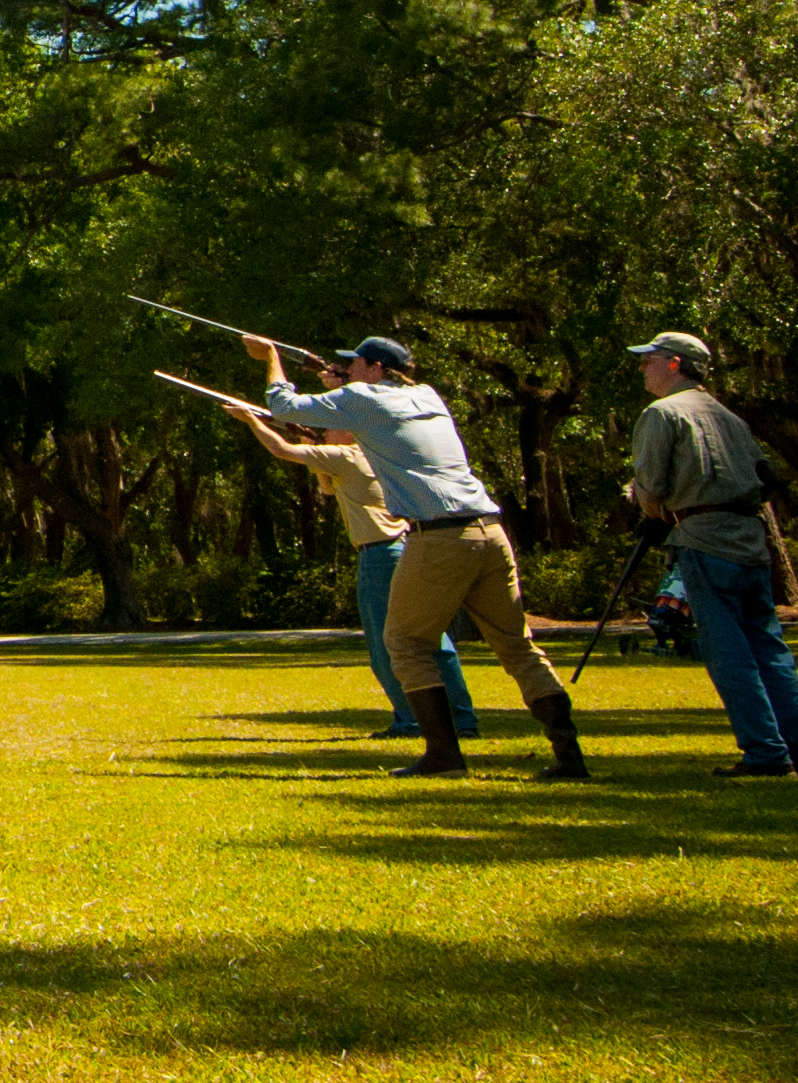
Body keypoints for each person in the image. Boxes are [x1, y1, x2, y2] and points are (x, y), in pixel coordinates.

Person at [241, 332, 588, 781]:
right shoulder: (426, 395)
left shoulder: (364, 399)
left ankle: (444, 755)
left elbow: (283, 405)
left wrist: (271, 357)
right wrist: (339, 382)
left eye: (356, 362)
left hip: (438, 538)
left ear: (376, 369)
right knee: (517, 646)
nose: (350, 367)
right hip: (489, 531)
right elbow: (374, 407)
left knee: (405, 644)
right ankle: (569, 756)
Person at [624, 331, 798, 779]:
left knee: (728, 653)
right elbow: (766, 476)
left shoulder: (662, 414)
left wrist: (650, 508)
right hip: (750, 541)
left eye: (649, 360)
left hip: (703, 540)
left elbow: (652, 488)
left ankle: (766, 754)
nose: (642, 368)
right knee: (770, 648)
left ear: (674, 364)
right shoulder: (729, 416)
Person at [227, 387, 476, 738]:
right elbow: (328, 489)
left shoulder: (346, 456)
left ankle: (411, 720)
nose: (326, 430)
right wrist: (315, 450)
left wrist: (252, 420)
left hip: (380, 555)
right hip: (403, 547)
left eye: (332, 425)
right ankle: (461, 718)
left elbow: (280, 450)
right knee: (432, 639)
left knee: (385, 646)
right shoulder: (377, 454)